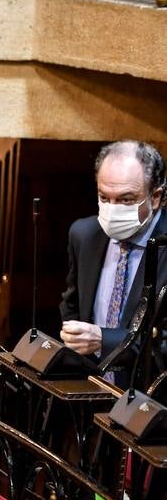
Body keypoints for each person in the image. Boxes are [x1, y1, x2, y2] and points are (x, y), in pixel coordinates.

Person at [59, 140, 167, 376]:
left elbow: (163, 343)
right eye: (104, 197)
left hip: (148, 398)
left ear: (155, 197)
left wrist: (104, 340)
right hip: (88, 394)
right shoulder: (83, 235)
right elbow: (72, 305)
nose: (112, 209)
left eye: (126, 199)